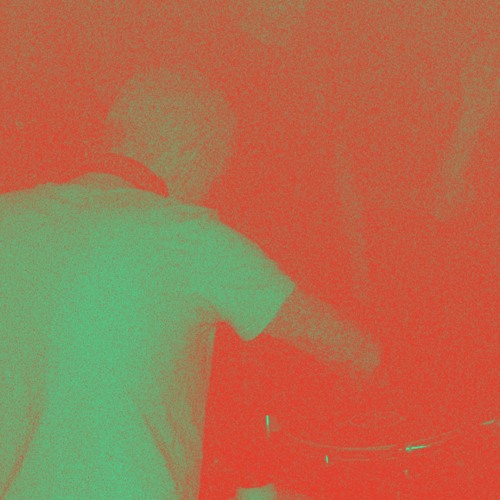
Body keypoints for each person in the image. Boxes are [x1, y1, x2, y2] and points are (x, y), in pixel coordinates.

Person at [0, 65, 382, 499]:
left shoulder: (8, 218)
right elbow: (340, 343)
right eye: (217, 169)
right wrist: (379, 382)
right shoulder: (186, 235)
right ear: (191, 152)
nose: (212, 186)